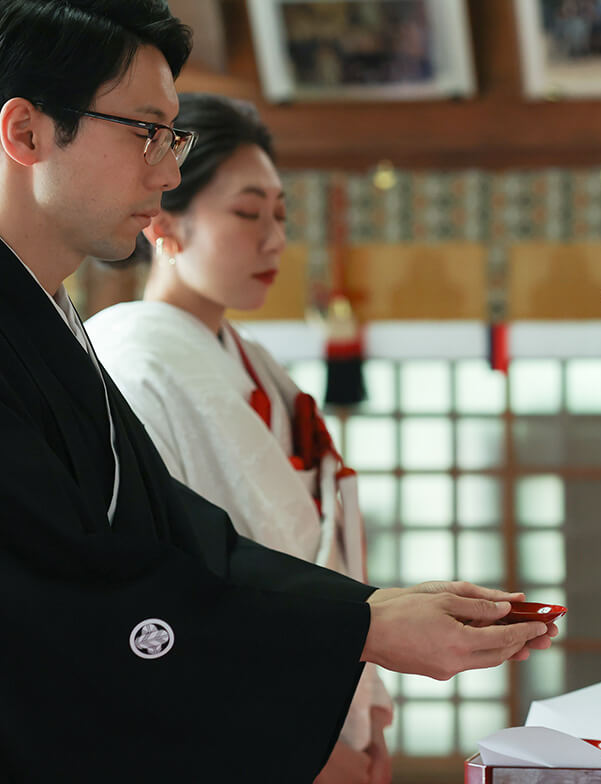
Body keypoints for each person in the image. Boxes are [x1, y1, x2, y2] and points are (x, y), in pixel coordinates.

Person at [0, 0, 551, 780]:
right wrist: (353, 633)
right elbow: (69, 599)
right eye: (147, 132)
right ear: (26, 131)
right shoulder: (124, 345)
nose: (166, 170)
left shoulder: (56, 320)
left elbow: (176, 534)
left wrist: (363, 612)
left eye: (174, 136)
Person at [86, 93, 392, 784]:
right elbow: (169, 581)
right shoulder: (133, 364)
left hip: (325, 695)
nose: (275, 238)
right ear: (164, 222)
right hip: (237, 726)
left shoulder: (255, 360)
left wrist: (362, 706)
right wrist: (314, 748)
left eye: (280, 214)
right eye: (249, 212)